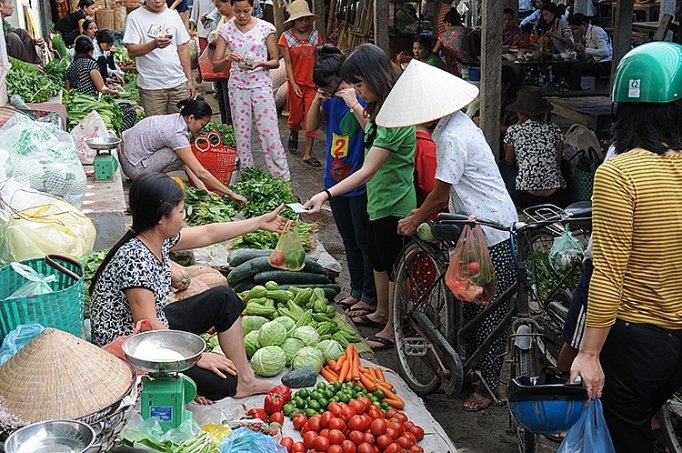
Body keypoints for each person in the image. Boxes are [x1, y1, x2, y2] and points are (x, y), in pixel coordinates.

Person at [569, 41, 682, 453]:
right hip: (675, 345)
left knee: (624, 437)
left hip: (635, 344)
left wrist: (589, 353)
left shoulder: (620, 171)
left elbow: (609, 271)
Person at [390, 60, 518, 411]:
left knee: (491, 311)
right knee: (473, 302)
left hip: (493, 231)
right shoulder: (457, 125)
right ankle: (473, 370)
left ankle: (488, 387)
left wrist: (414, 219)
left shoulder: (452, 136)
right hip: (476, 227)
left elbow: (441, 193)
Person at [89, 173, 284, 402]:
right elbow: (147, 330)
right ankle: (213, 384)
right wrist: (196, 357)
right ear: (161, 218)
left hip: (152, 328)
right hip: (129, 351)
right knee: (223, 384)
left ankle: (247, 381)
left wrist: (259, 223)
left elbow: (207, 233)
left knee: (225, 299)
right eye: (180, 211)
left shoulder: (154, 237)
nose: (183, 218)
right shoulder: (136, 260)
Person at [304, 44, 417, 351]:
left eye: (358, 83)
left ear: (374, 77)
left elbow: (367, 170)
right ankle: (381, 312)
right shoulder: (380, 111)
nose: (354, 90)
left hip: (395, 203)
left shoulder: (394, 118)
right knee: (379, 261)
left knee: (393, 268)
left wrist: (325, 193)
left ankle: (394, 327)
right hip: (378, 202)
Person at [306, 45, 376, 318]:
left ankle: (369, 295)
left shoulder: (361, 99)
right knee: (348, 239)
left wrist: (354, 103)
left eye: (334, 85)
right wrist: (317, 98)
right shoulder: (331, 98)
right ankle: (357, 290)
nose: (333, 90)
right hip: (334, 182)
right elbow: (311, 125)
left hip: (358, 181)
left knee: (364, 241)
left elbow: (370, 132)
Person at [212, 0, 290, 181]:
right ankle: (248, 179)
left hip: (261, 85)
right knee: (242, 135)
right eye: (237, 11)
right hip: (237, 87)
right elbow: (216, 66)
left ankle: (282, 179)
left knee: (270, 134)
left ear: (252, 7)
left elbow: (275, 61)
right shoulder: (226, 30)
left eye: (246, 11)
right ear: (231, 7)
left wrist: (260, 63)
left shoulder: (265, 28)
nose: (241, 15)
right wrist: (228, 59)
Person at [120, 96, 247, 205]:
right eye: (202, 125)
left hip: (127, 154)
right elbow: (200, 172)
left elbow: (188, 164)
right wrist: (230, 193)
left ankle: (201, 189)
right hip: (133, 168)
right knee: (178, 154)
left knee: (184, 155)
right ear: (191, 118)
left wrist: (204, 191)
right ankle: (147, 181)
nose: (202, 129)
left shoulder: (176, 119)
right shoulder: (177, 134)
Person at [123, 0, 195, 116]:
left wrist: (189, 80)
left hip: (178, 83)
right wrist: (153, 44)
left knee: (180, 125)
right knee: (156, 128)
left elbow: (182, 48)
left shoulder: (173, 15)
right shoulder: (135, 17)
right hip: (152, 86)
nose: (158, 1)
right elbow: (131, 50)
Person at [502, 88, 567, 208]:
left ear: (521, 113)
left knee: (502, 166)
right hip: (555, 196)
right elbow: (558, 162)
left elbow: (509, 160)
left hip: (526, 197)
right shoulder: (555, 129)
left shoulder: (514, 131)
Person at [278, 0, 323, 166]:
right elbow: (288, 63)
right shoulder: (286, 38)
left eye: (306, 20)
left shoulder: (315, 36)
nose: (304, 23)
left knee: (312, 118)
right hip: (295, 83)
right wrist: (293, 83)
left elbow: (319, 60)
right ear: (293, 21)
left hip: (312, 84)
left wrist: (320, 81)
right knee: (295, 117)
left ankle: (308, 154)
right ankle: (294, 133)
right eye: (300, 20)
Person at [567, 13, 612, 91]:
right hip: (598, 62)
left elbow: (605, 52)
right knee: (571, 66)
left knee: (576, 68)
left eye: (576, 29)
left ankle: (576, 92)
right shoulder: (586, 35)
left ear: (584, 24)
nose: (575, 32)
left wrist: (585, 50)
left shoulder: (596, 31)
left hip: (606, 64)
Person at [0, 0, 44, 65]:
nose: (13, 6)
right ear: (0, 6)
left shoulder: (3, 22)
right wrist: (27, 65)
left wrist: (34, 42)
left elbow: (20, 37)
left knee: (21, 32)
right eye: (10, 2)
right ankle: (31, 70)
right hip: (3, 59)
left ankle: (38, 65)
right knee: (12, 38)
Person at [433, 9, 472, 77]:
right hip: (468, 70)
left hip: (451, 70)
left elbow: (434, 53)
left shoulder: (442, 36)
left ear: (448, 23)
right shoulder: (468, 32)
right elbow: (473, 52)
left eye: (444, 25)